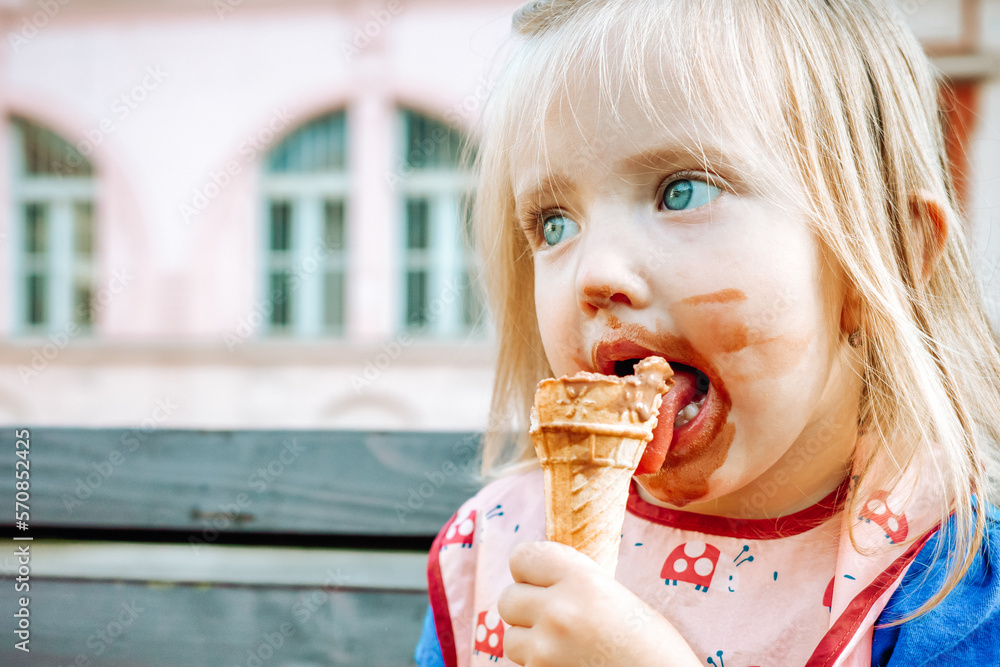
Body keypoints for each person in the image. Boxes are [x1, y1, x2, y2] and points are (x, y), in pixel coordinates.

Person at [416, 0, 1000, 665]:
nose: (595, 273)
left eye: (683, 190)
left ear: (884, 262)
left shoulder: (945, 580)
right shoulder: (494, 554)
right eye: (554, 223)